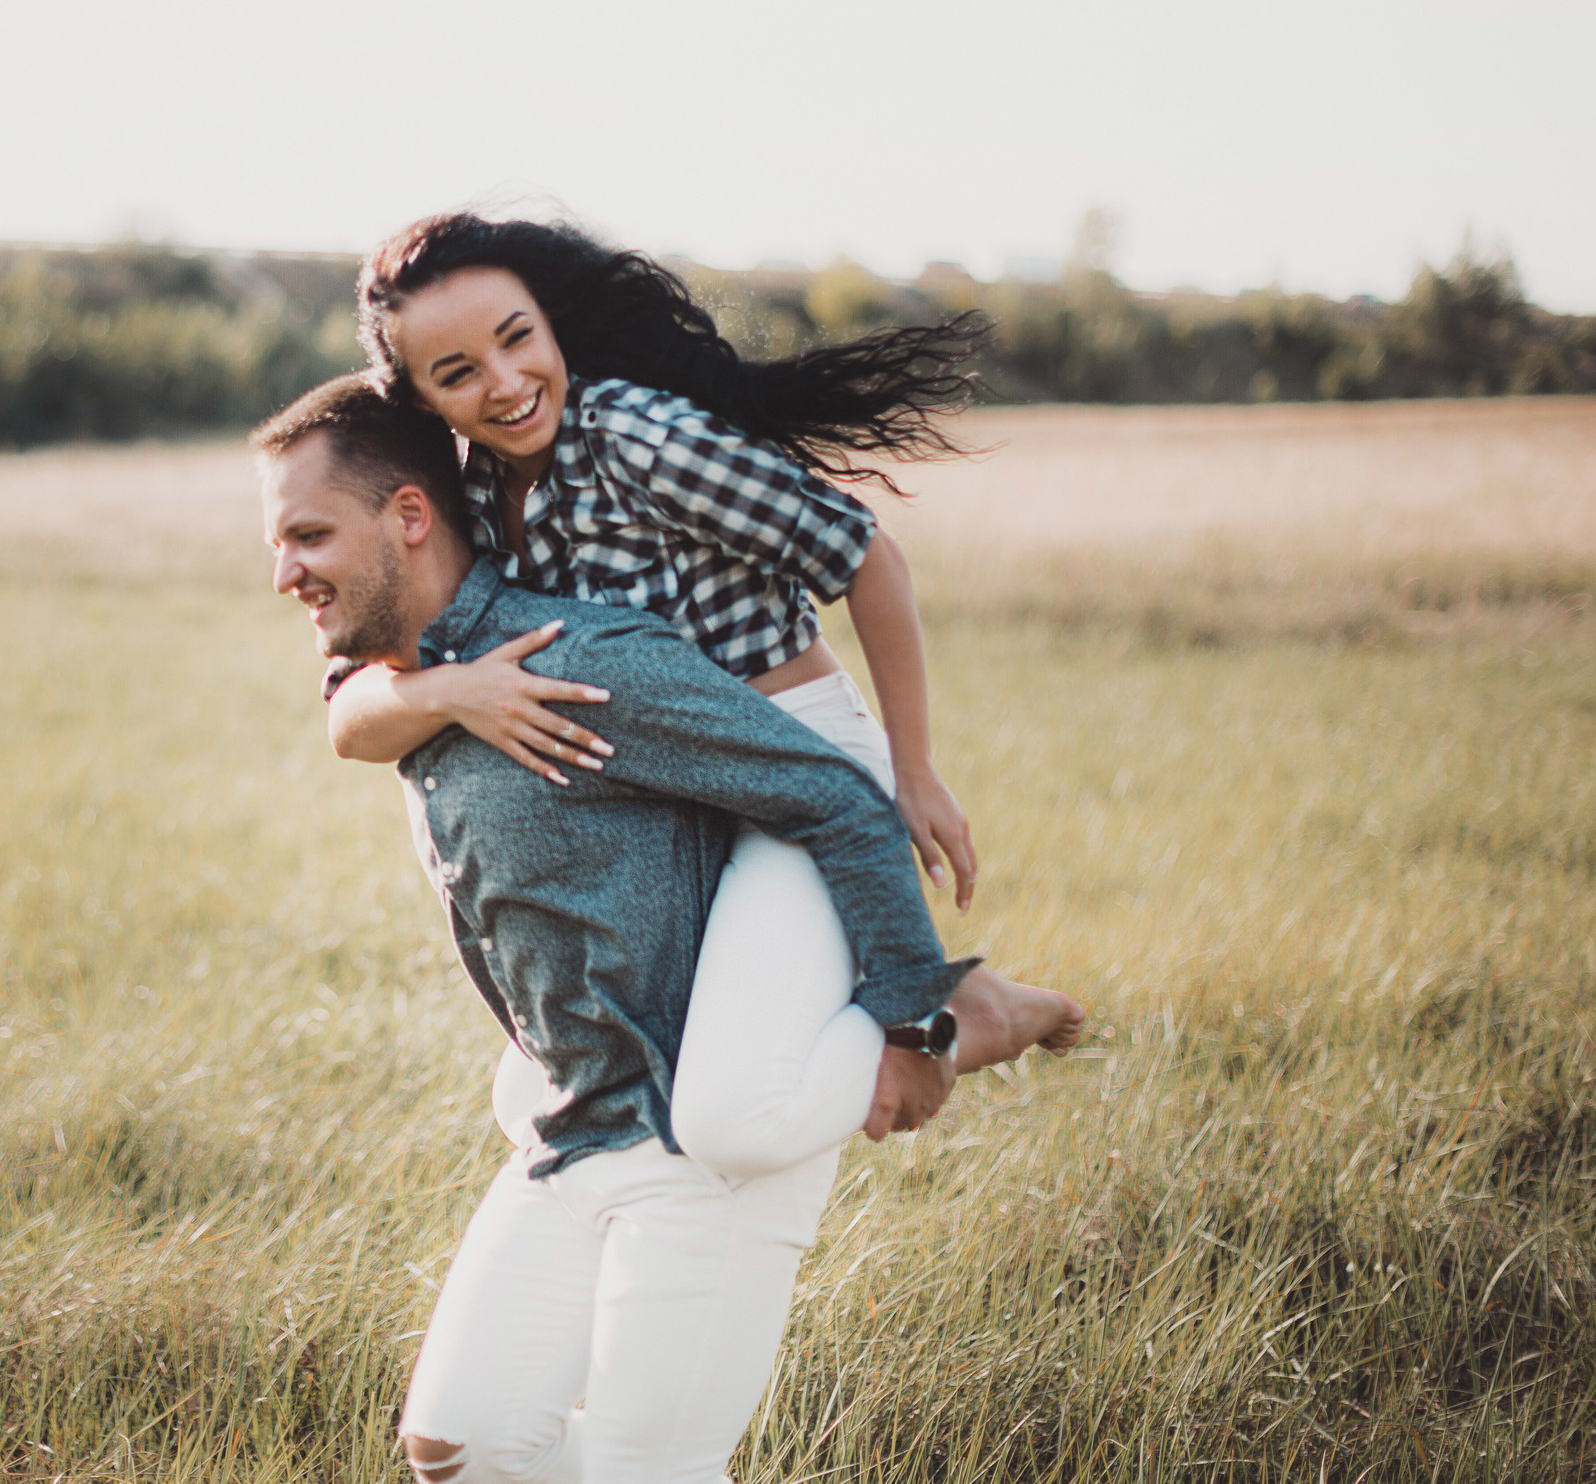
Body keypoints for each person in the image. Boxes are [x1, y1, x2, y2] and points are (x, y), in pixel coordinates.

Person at [254, 376, 968, 1484]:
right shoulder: (404, 673)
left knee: (648, 1474)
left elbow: (834, 795)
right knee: (460, 1448)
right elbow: (346, 720)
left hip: (692, 1144)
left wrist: (920, 1025)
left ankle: (981, 1017)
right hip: (573, 1120)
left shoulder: (576, 660)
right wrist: (444, 694)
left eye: (308, 534)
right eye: (277, 541)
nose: (283, 572)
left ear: (408, 516)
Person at [327, 212, 1081, 1179]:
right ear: (424, 400)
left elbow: (863, 557)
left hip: (806, 765)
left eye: (518, 339)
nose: (506, 383)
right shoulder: (474, 492)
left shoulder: (640, 437)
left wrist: (915, 768)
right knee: (532, 1090)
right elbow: (360, 694)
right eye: (458, 371)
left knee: (731, 1113)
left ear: (551, 326)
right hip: (681, 790)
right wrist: (448, 690)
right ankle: (951, 999)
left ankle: (958, 1026)